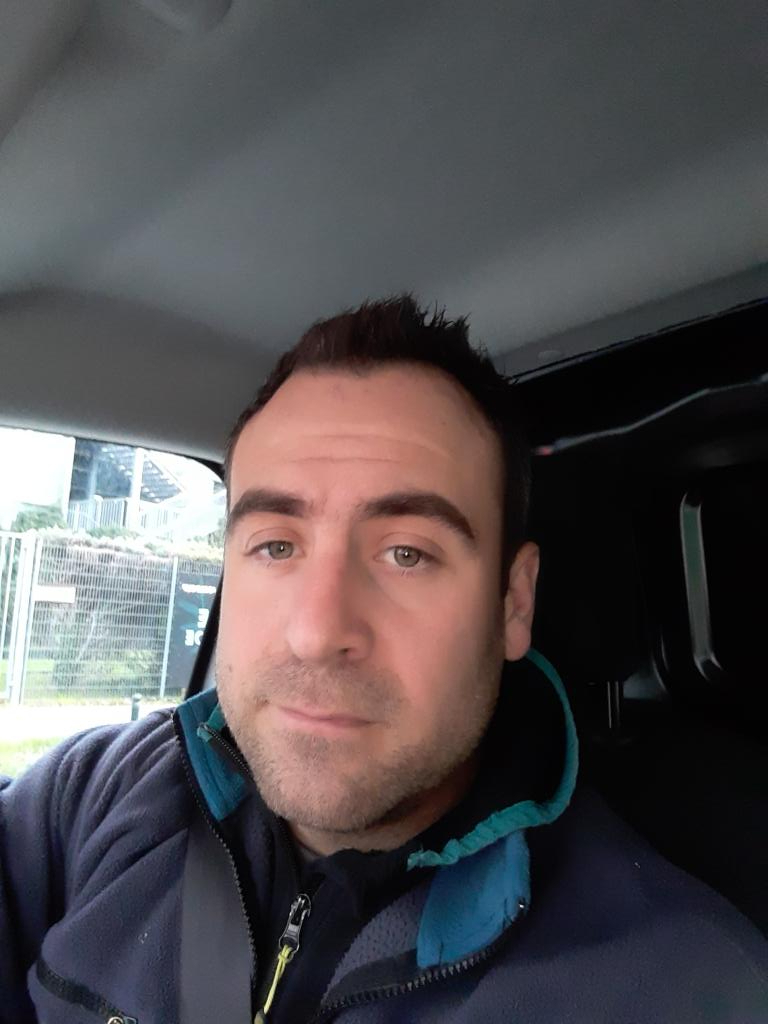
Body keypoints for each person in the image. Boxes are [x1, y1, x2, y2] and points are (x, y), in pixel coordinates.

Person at [1, 296, 766, 1024]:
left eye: (407, 553)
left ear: (513, 603)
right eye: (275, 546)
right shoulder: (96, 794)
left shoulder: (680, 987)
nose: (316, 631)